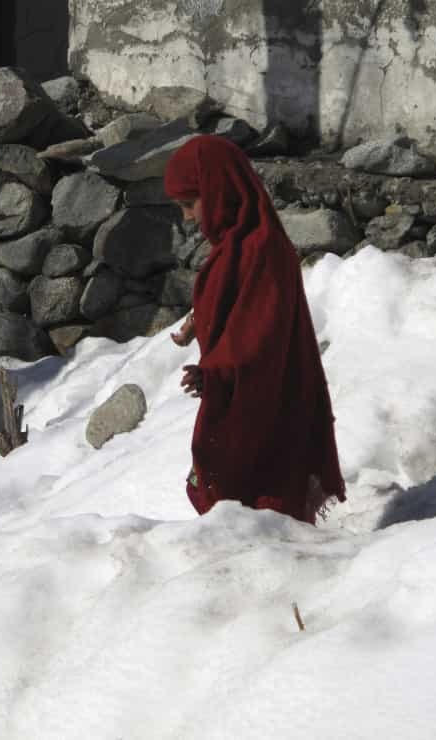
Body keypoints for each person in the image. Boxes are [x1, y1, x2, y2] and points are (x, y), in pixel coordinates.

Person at [164, 135, 346, 524]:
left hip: (265, 403)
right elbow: (236, 302)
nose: (188, 218)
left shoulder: (262, 249)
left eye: (188, 204)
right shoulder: (237, 244)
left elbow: (261, 335)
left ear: (217, 191)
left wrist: (216, 373)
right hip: (241, 393)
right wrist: (199, 321)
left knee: (264, 510)